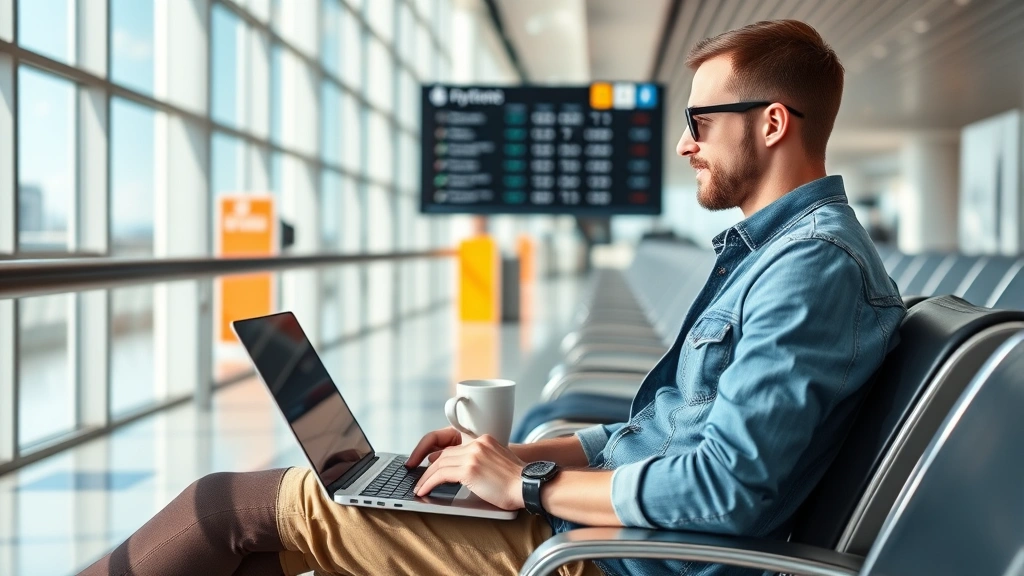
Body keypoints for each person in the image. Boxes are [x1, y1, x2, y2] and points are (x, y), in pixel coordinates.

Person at [79, 19, 905, 576]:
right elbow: (668, 433)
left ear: (769, 123)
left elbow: (728, 490)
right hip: (605, 527)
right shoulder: (777, 256)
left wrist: (527, 487)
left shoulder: (809, 272)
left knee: (236, 508)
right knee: (283, 538)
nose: (684, 143)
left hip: (609, 555)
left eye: (701, 120)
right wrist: (523, 459)